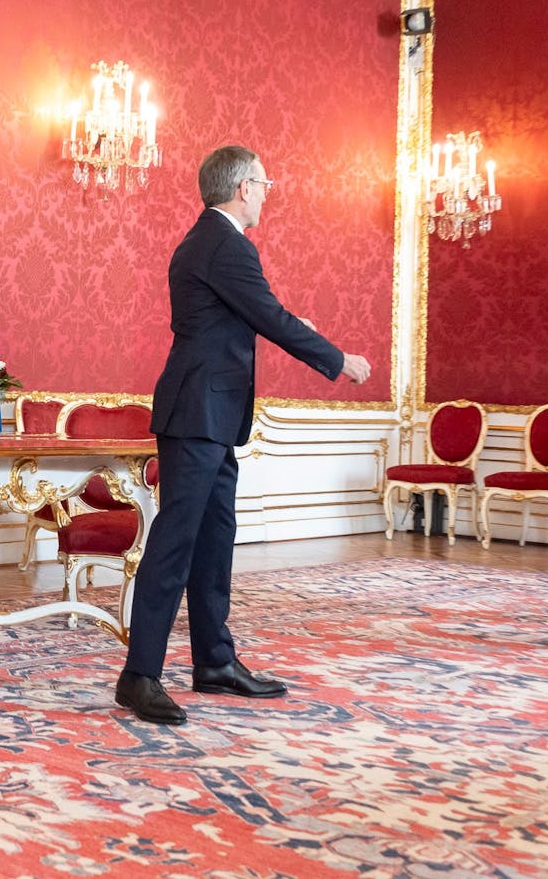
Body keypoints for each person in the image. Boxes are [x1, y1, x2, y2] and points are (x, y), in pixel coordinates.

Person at [116, 145, 372, 725]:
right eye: (263, 181)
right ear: (240, 188)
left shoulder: (209, 241)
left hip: (211, 414)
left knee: (214, 539)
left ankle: (214, 661)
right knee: (176, 542)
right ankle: (139, 675)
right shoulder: (226, 243)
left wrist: (288, 323)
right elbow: (269, 318)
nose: (267, 191)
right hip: (198, 414)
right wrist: (337, 359)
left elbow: (249, 313)